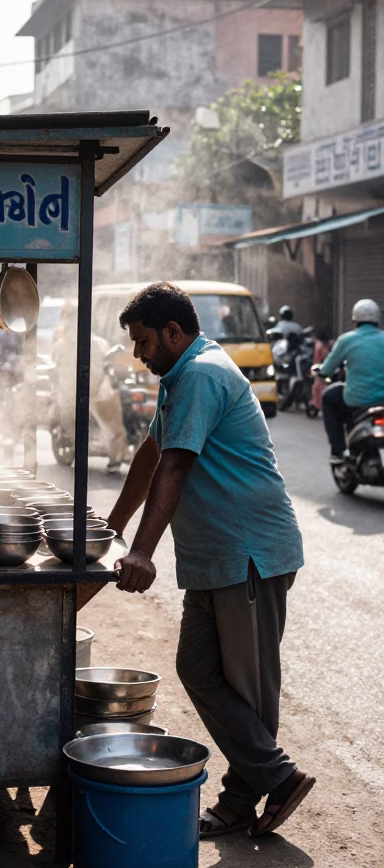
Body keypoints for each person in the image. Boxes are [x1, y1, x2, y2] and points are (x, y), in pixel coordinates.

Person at [107, 282, 313, 839]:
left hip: (248, 554)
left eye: (144, 341)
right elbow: (150, 454)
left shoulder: (199, 375)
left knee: (247, 686)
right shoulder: (181, 376)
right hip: (215, 558)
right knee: (196, 669)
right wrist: (112, 528)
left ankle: (253, 793)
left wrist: (143, 551)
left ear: (174, 332)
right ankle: (268, 779)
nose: (139, 353)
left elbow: (173, 469)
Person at [52, 302, 128, 472]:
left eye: (72, 318)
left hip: (97, 393)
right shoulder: (63, 345)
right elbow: (57, 370)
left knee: (112, 428)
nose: (69, 322)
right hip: (74, 395)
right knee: (73, 424)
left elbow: (106, 368)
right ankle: (92, 454)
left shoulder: (97, 344)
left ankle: (114, 460)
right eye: (68, 318)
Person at [318, 298, 384, 461]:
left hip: (357, 399)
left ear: (354, 321)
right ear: (377, 320)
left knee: (328, 397)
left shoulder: (346, 340)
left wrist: (321, 373)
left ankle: (338, 451)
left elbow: (327, 369)